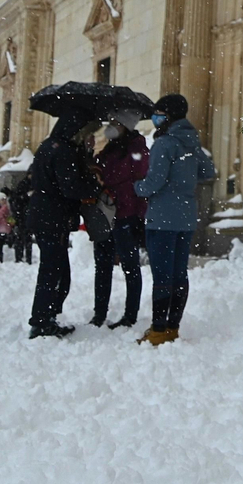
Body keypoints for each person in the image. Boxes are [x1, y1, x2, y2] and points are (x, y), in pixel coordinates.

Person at [134, 94, 215, 346]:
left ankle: (158, 329)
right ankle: (172, 327)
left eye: (159, 113)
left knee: (161, 275)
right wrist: (184, 180)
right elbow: (208, 171)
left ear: (167, 115)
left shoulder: (165, 143)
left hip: (161, 218)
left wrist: (137, 187)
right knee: (179, 274)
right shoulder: (191, 141)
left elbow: (154, 182)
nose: (155, 118)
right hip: (185, 217)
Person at [26, 110, 99, 339]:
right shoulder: (64, 151)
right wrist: (94, 188)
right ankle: (41, 320)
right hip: (53, 216)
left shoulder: (48, 146)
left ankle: (46, 317)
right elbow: (70, 188)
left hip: (43, 214)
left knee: (55, 269)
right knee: (54, 271)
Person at [91, 110, 150, 328]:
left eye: (116, 122)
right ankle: (99, 313)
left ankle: (130, 315)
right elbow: (100, 167)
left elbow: (132, 177)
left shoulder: (137, 149)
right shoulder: (110, 148)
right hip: (108, 214)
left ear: (126, 125)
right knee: (102, 265)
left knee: (130, 266)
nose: (110, 126)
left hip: (126, 215)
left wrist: (109, 181)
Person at [4, 183, 32, 263]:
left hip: (20, 222)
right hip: (22, 221)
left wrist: (12, 222)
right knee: (25, 240)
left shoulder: (14, 199)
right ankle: (26, 258)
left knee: (20, 240)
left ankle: (19, 258)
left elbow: (13, 212)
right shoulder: (16, 198)